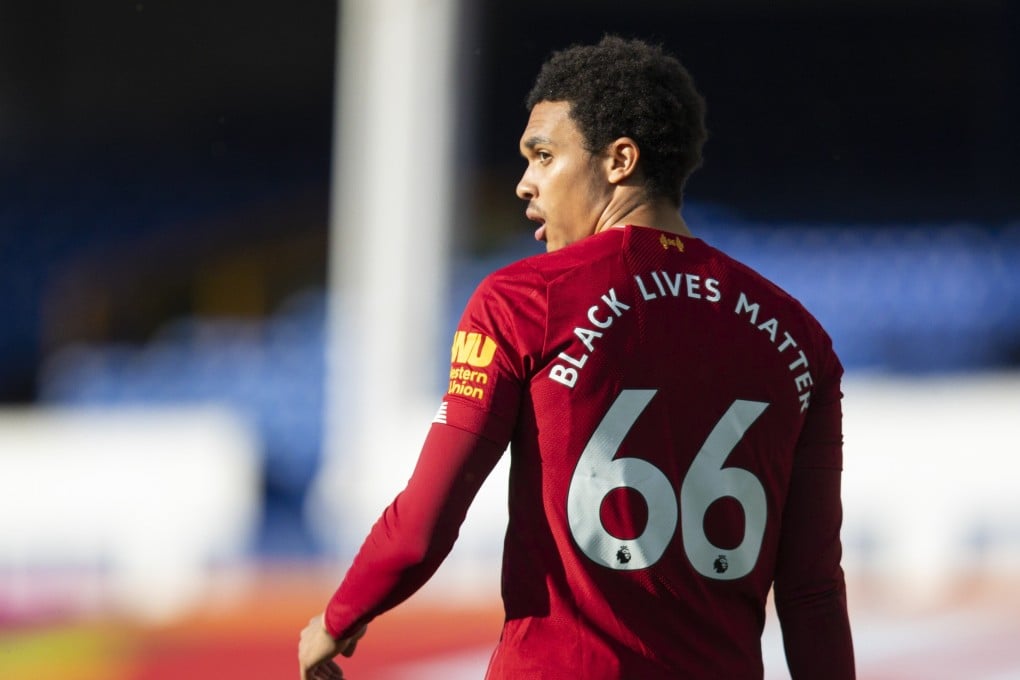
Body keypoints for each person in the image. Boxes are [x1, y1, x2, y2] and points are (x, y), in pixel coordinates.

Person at [299, 35, 855, 679]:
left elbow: (425, 523)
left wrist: (338, 619)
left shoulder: (524, 300)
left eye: (543, 156)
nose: (524, 184)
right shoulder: (799, 338)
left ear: (619, 160)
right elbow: (812, 593)